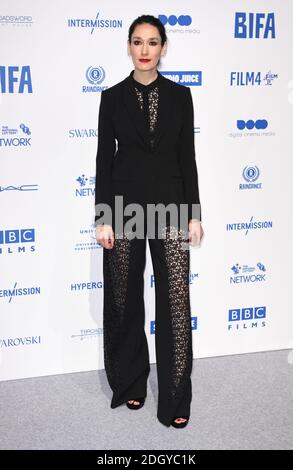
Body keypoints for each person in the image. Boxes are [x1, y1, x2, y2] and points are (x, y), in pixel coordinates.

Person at [94, 14, 204, 428]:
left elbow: (187, 158)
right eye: (137, 42)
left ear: (163, 47)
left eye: (152, 42)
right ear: (128, 46)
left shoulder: (180, 95)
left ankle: (176, 398)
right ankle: (131, 383)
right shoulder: (111, 97)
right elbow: (104, 160)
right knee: (124, 299)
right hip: (123, 208)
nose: (144, 50)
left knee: (175, 302)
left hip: (172, 206)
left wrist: (193, 212)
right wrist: (103, 216)